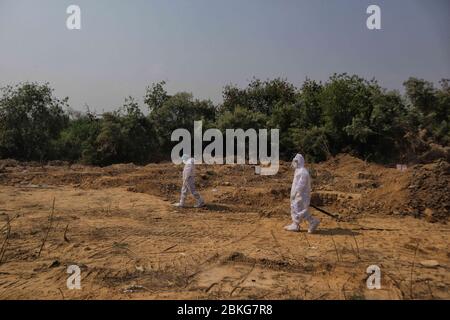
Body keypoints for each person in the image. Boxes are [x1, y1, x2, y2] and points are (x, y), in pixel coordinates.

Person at [285, 153, 320, 233]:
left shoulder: (303, 172)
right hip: (297, 195)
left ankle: (312, 221)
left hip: (301, 195)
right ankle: (296, 224)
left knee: (300, 210)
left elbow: (301, 185)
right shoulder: (298, 171)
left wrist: (296, 193)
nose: (294, 163)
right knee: (296, 208)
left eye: (295, 161)